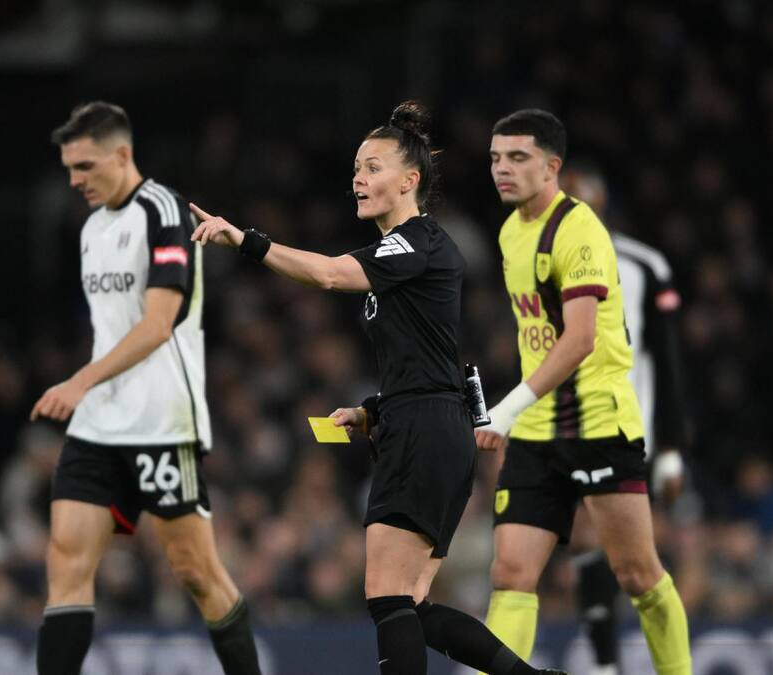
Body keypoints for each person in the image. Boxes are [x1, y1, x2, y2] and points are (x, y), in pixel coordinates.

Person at [191, 101, 564, 675]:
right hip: (428, 424)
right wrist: (371, 412)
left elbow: (327, 274)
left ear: (409, 180)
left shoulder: (419, 242)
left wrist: (245, 241)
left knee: (387, 598)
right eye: (356, 168)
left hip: (426, 431)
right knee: (411, 602)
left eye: (372, 167)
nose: (358, 179)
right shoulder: (403, 258)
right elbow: (427, 357)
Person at [30, 101, 261, 675]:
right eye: (68, 170)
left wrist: (79, 382)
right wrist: (89, 390)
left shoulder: (164, 211)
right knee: (66, 560)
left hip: (161, 421)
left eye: (84, 167)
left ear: (122, 154)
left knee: (196, 574)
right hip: (98, 422)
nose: (75, 181)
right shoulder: (91, 228)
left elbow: (159, 324)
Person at [475, 109, 690, 675]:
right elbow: (535, 332)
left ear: (552, 167)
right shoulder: (508, 232)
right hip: (537, 433)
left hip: (598, 426)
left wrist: (505, 410)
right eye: (496, 157)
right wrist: (520, 414)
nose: (503, 169)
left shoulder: (580, 230)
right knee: (512, 575)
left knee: (639, 576)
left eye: (517, 158)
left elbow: (580, 340)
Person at [558, 163, 690, 675]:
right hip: (568, 426)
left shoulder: (642, 265)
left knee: (637, 562)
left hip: (633, 430)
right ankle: (606, 663)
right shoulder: (541, 264)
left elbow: (669, 361)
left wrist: (674, 447)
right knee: (588, 540)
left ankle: (664, 662)